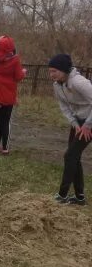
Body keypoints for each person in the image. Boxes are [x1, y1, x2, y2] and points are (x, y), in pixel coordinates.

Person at [48, 54, 92, 205]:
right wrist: (75, 124)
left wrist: (87, 125)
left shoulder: (79, 82)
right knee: (74, 157)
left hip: (90, 122)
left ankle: (62, 195)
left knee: (70, 156)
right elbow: (64, 106)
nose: (51, 74)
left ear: (64, 70)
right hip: (78, 123)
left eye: (55, 71)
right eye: (50, 71)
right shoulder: (57, 85)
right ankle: (80, 198)